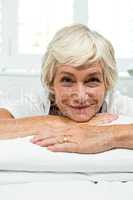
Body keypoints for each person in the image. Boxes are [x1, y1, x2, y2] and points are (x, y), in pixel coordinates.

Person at [0, 23, 133, 154]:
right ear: (51, 82)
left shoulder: (116, 103)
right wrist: (61, 123)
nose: (80, 96)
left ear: (107, 82)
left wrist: (106, 135)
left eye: (92, 80)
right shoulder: (40, 102)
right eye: (67, 80)